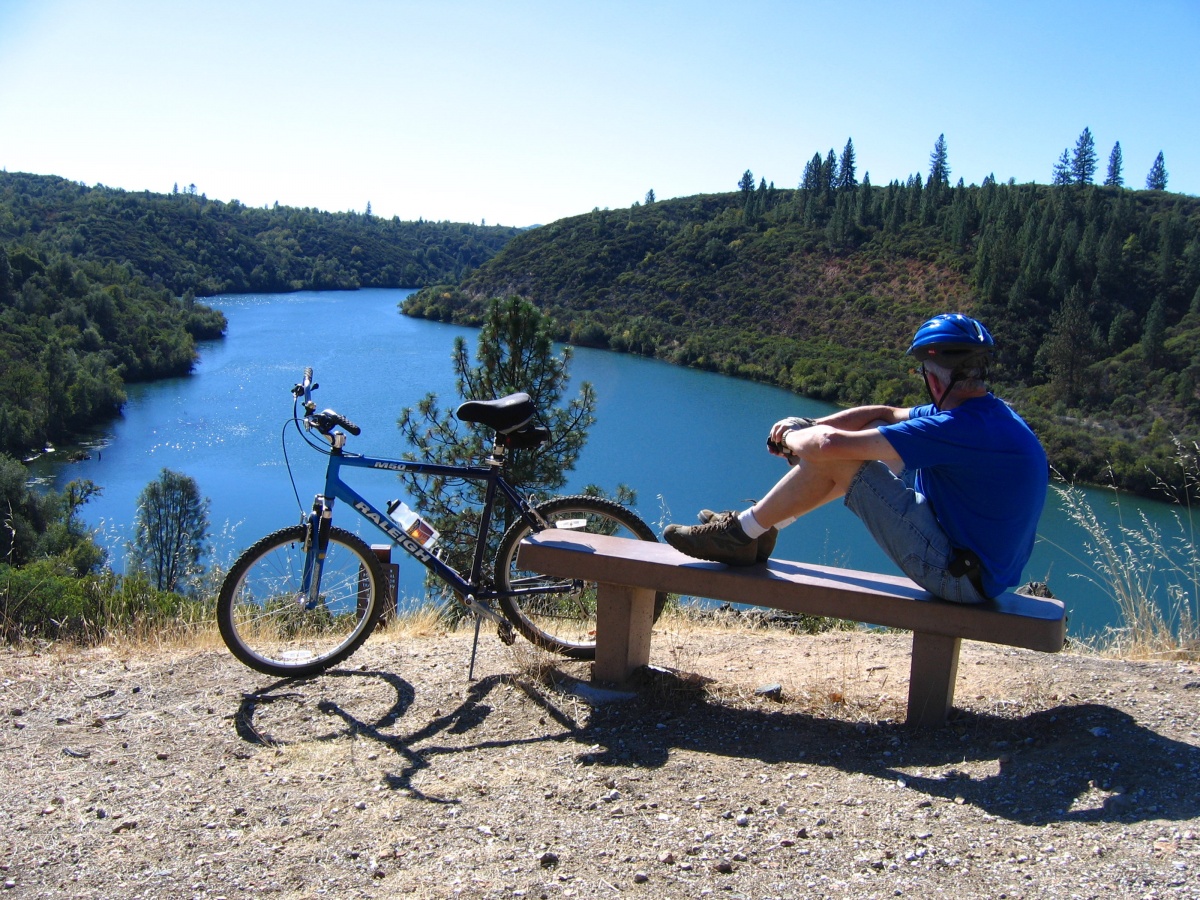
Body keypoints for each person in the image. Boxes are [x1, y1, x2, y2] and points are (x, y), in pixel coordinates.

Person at [663, 313, 1047, 603]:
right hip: (975, 570)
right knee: (849, 454)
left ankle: (743, 533)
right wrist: (811, 424)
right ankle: (755, 530)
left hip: (958, 578)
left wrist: (794, 436)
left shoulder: (959, 428)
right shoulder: (982, 416)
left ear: (933, 376)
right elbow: (885, 414)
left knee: (848, 460)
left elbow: (830, 446)